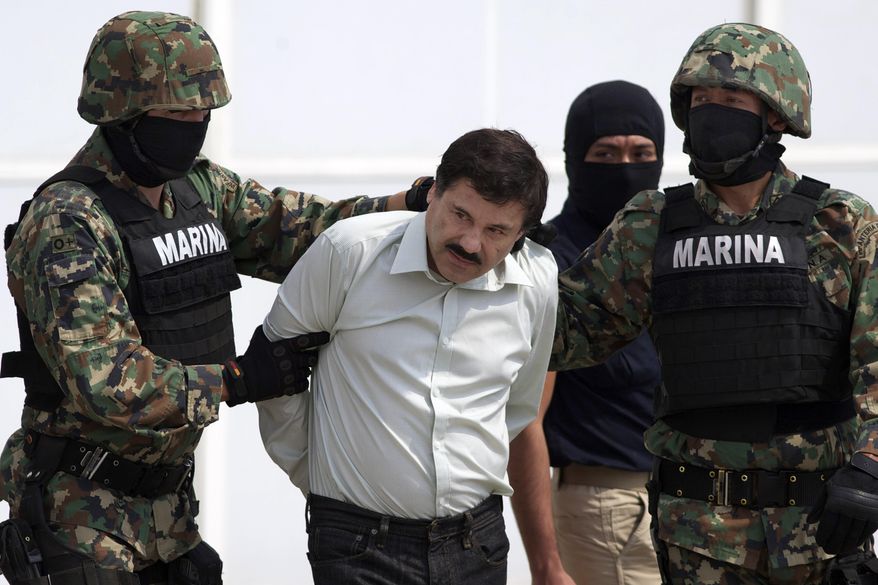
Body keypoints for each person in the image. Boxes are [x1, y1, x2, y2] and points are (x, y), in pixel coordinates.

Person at [0, 11, 409, 585]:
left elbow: (307, 230)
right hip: (81, 517)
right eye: (176, 114)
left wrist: (414, 210)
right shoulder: (69, 222)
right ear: (122, 112)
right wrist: (239, 380)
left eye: (202, 113)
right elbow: (107, 383)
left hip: (169, 517)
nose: (194, 125)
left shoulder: (198, 188)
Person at [549, 23, 878, 584]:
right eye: (699, 99)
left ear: (776, 113)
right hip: (697, 536)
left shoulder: (841, 225)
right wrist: (499, 268)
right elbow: (567, 333)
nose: (710, 112)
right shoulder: (649, 225)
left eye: (729, 98)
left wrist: (872, 467)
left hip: (818, 533)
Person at [256, 128, 558, 585]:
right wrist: (321, 480)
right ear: (433, 191)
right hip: (358, 547)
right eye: (461, 214)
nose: (471, 243)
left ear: (521, 234)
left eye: (496, 230)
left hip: (479, 545)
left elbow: (517, 408)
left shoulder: (538, 281)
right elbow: (273, 374)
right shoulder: (348, 252)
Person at [508, 80, 664, 585]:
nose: (626, 167)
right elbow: (524, 421)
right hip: (609, 514)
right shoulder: (553, 264)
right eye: (605, 152)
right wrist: (545, 565)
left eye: (642, 152)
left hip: (690, 511)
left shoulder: (670, 248)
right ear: (575, 159)